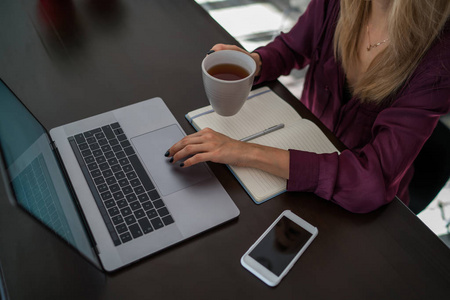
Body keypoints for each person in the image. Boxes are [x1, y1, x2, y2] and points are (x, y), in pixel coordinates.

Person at [166, 0, 450, 213]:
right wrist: (255, 62)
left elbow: (370, 183)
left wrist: (242, 151)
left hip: (355, 201)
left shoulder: (440, 57)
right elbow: (293, 48)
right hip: (302, 146)